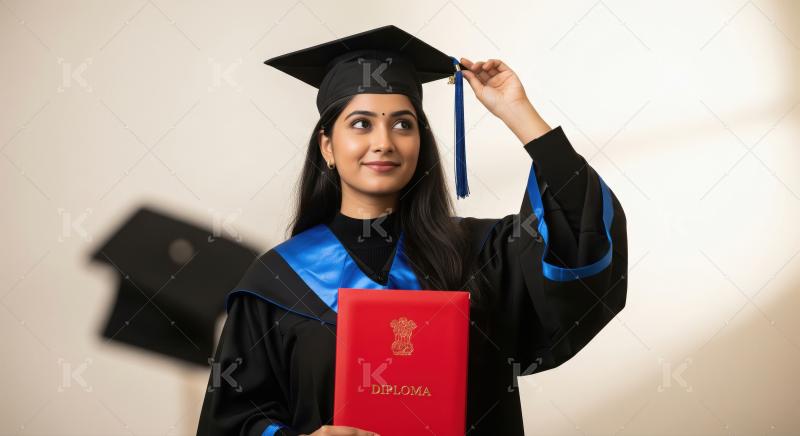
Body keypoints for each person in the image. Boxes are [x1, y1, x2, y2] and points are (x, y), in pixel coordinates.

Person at [197, 25, 627, 436]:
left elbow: (580, 238)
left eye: (403, 124)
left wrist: (520, 114)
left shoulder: (484, 255)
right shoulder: (277, 283)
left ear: (420, 142)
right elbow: (232, 421)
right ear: (327, 145)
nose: (384, 141)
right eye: (361, 123)